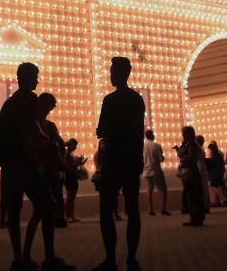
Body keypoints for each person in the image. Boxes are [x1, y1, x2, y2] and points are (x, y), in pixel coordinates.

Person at [0, 62, 72, 271]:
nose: (37, 80)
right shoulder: (30, 100)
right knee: (47, 206)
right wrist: (57, 155)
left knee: (15, 210)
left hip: (9, 165)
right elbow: (35, 135)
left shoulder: (10, 102)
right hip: (26, 163)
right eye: (35, 76)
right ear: (26, 77)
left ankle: (19, 258)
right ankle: (49, 257)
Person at [92, 56, 145, 271]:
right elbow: (138, 132)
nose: (111, 74)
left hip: (113, 160)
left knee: (106, 210)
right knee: (133, 209)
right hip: (131, 159)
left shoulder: (110, 100)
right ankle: (132, 258)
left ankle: (111, 259)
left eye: (113, 70)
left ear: (121, 73)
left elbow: (102, 131)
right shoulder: (137, 99)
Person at [24, 93, 67, 261]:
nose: (47, 110)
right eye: (45, 106)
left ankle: (47, 254)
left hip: (50, 173)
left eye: (50, 107)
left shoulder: (50, 126)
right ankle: (31, 254)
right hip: (36, 172)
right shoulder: (32, 125)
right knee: (41, 212)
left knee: (46, 212)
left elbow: (56, 148)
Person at [176, 126, 206, 227]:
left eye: (184, 133)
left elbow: (192, 158)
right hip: (191, 171)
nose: (182, 135)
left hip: (191, 172)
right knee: (192, 194)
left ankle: (196, 218)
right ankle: (195, 217)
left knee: (193, 195)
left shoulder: (192, 144)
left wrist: (183, 157)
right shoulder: (189, 143)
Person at [142, 130, 169, 216]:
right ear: (152, 135)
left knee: (149, 191)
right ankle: (163, 209)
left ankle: (151, 210)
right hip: (156, 171)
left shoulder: (142, 146)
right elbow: (161, 159)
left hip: (146, 171)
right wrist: (163, 157)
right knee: (163, 190)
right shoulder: (157, 146)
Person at [63, 138, 87, 223]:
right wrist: (79, 163)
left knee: (71, 198)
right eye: (75, 145)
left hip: (71, 176)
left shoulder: (68, 154)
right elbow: (68, 166)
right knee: (70, 198)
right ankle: (68, 216)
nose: (76, 147)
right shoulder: (67, 154)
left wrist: (78, 161)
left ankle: (70, 216)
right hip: (70, 177)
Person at [205, 142, 227, 207]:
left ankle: (222, 199)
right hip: (219, 172)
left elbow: (212, 164)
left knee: (214, 186)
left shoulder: (214, 155)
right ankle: (220, 201)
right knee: (217, 186)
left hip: (214, 173)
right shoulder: (219, 154)